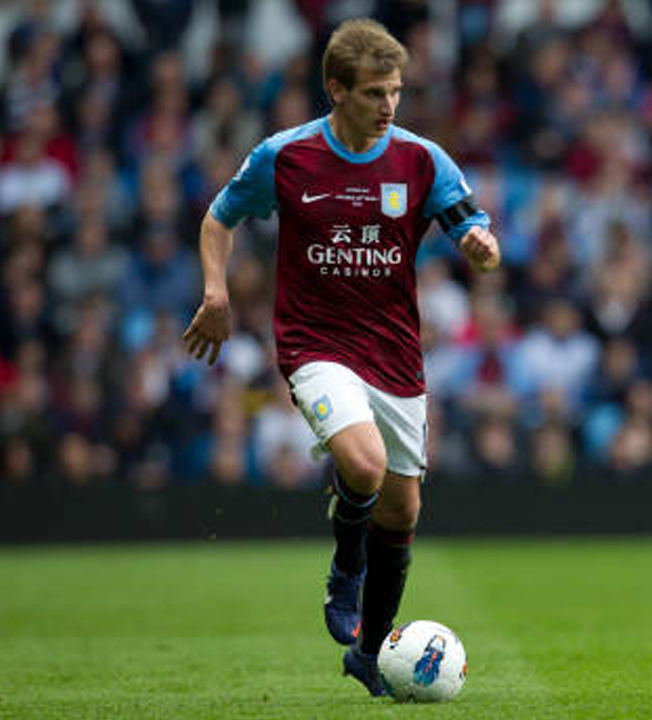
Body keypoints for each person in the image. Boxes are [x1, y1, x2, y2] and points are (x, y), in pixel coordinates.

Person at [180, 18, 500, 697]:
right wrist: (215, 291)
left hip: (395, 354)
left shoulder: (421, 160)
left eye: (396, 92)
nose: (389, 106)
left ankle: (369, 655)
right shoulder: (286, 156)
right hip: (315, 344)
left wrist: (481, 246)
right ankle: (345, 567)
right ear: (337, 89)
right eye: (376, 93)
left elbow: (471, 225)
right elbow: (218, 218)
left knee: (402, 510)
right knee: (363, 463)